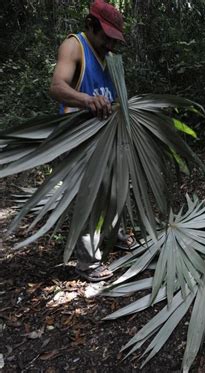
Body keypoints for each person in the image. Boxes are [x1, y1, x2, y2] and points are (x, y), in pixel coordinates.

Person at [49, 0, 134, 282]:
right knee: (88, 199)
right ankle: (87, 262)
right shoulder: (75, 46)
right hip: (78, 139)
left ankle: (115, 236)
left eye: (114, 38)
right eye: (106, 36)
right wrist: (87, 100)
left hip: (105, 136)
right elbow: (58, 86)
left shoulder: (109, 57)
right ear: (90, 25)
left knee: (115, 188)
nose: (110, 44)